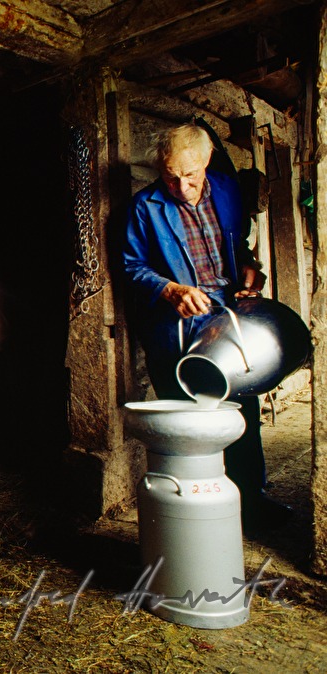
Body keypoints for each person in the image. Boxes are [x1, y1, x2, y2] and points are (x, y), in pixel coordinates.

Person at [123, 121, 290, 534]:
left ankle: (251, 501)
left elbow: (239, 246)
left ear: (207, 161)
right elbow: (131, 266)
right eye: (171, 177)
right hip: (176, 325)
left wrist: (252, 269)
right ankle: (197, 517)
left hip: (225, 318)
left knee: (241, 407)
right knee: (190, 420)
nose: (181, 187)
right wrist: (170, 290)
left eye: (191, 175)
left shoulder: (228, 190)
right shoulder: (144, 207)